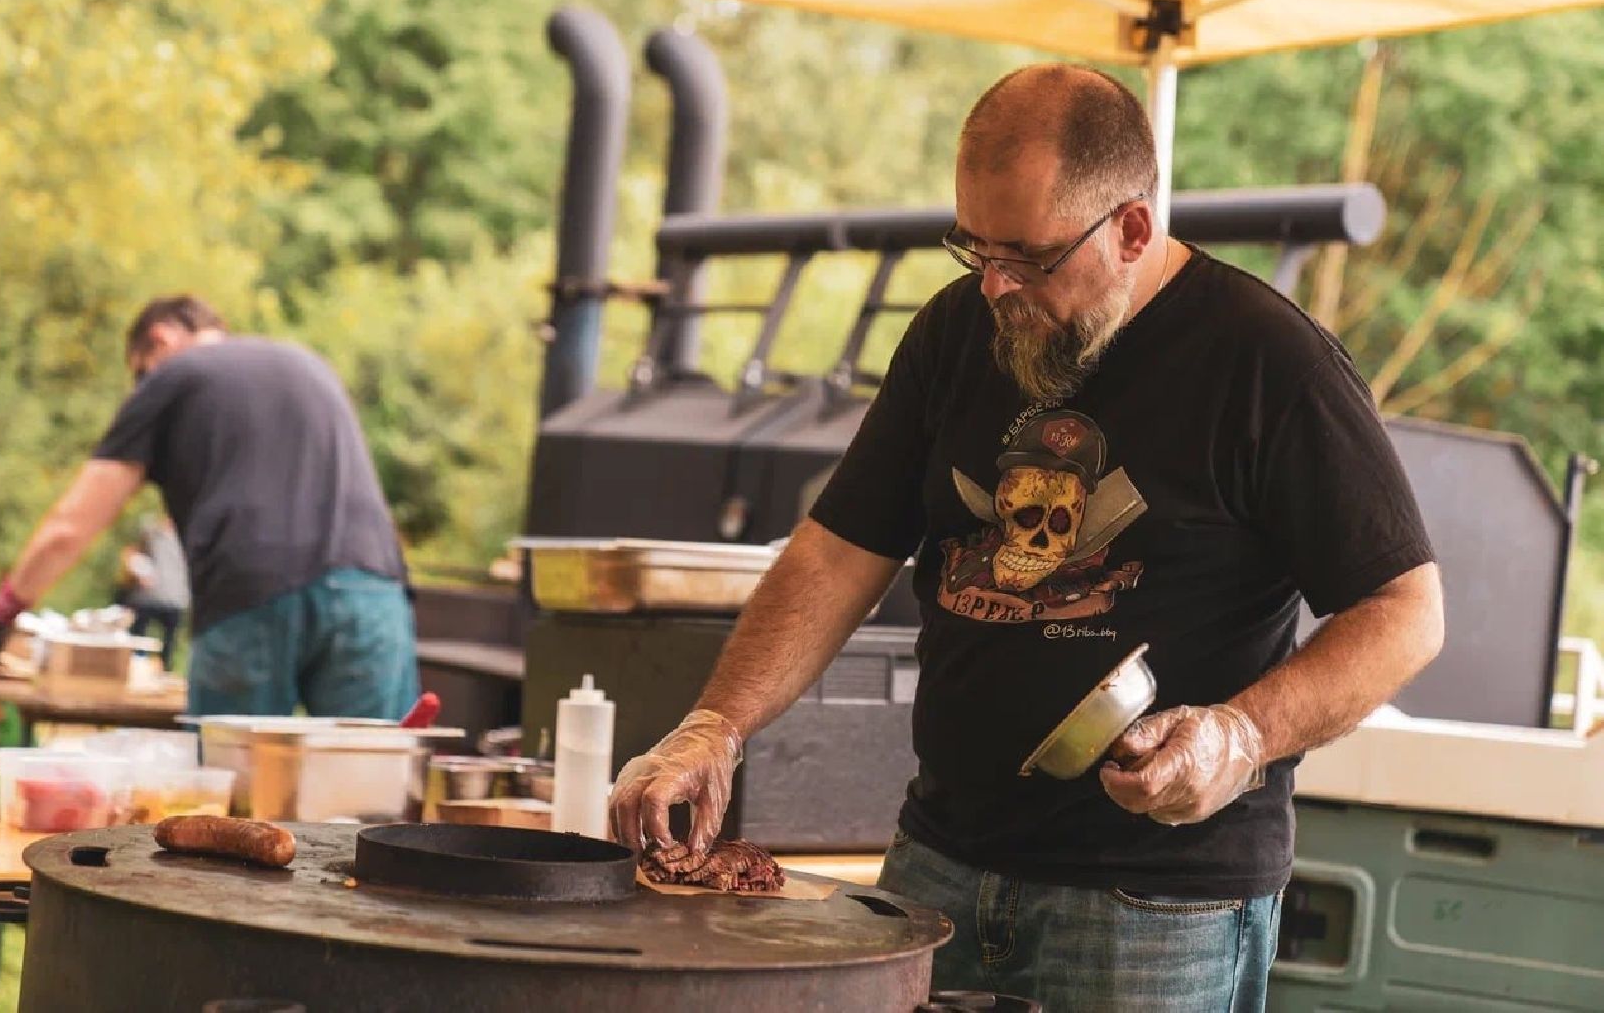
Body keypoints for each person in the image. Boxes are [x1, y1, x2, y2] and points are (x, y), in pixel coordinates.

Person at [609, 65, 1443, 1011]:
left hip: (1153, 906)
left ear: (1131, 228)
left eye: (1030, 260)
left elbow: (1405, 609)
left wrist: (1241, 735)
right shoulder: (954, 332)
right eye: (974, 249)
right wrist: (715, 726)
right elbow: (839, 548)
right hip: (939, 867)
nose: (996, 286)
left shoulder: (1267, 364)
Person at [0, 296, 419, 719]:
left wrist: (2, 612)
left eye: (140, 373)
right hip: (373, 590)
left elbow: (72, 525)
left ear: (161, 338)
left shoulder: (175, 376)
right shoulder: (308, 364)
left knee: (232, 783)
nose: (142, 385)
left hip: (251, 592)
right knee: (375, 777)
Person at [114, 513, 190, 671]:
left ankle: (162, 672)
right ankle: (136, 670)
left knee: (168, 646)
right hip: (146, 598)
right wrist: (139, 570)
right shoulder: (150, 533)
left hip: (175, 599)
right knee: (137, 641)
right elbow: (131, 553)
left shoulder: (189, 536)